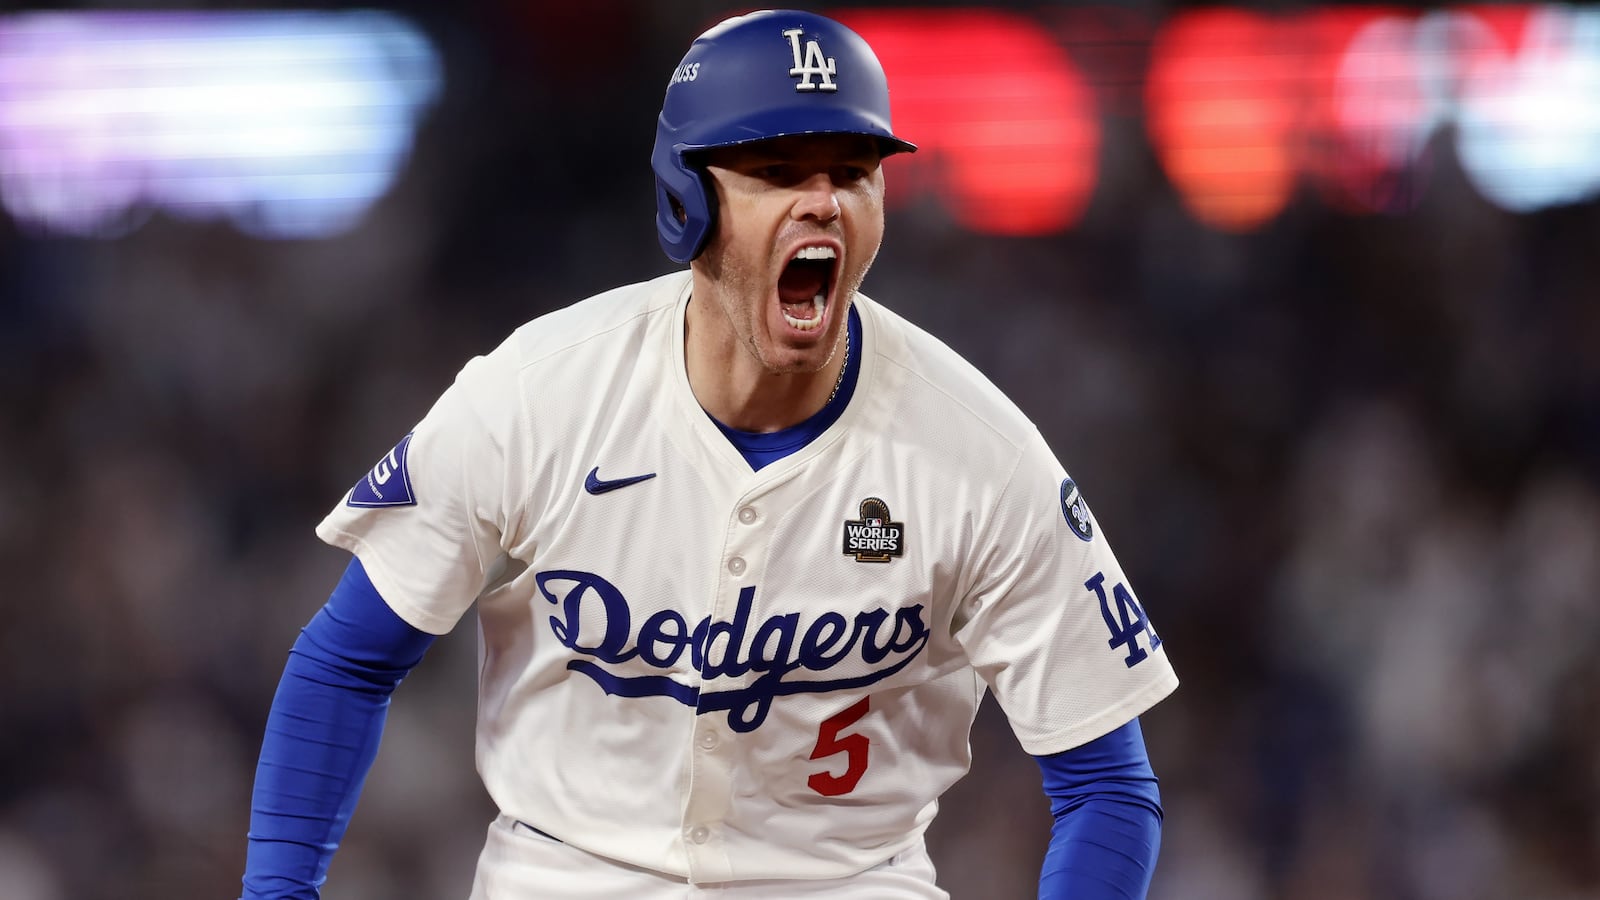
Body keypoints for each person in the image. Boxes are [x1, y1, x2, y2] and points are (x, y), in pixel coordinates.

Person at [240, 9, 1178, 899]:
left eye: (853, 172)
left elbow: (1107, 788)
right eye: (778, 170)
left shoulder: (982, 454)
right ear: (688, 197)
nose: (823, 203)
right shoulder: (537, 396)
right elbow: (348, 661)